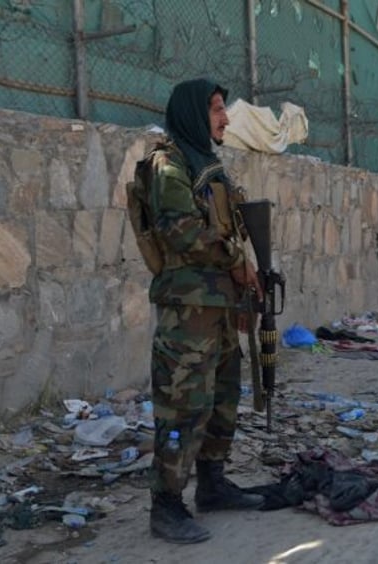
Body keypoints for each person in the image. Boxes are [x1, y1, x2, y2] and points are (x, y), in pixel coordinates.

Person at [145, 78, 265, 544]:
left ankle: (212, 485)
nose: (226, 117)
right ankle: (166, 504)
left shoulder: (208, 166)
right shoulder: (168, 166)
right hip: (188, 310)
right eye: (217, 109)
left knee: (222, 398)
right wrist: (238, 262)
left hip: (218, 306)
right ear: (196, 113)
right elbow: (183, 234)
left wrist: (246, 281)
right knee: (182, 408)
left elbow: (227, 231)